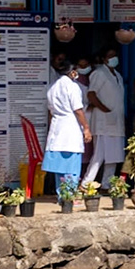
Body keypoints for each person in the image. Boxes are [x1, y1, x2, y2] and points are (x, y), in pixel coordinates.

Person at [42, 60, 91, 199]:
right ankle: (69, 197)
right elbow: (78, 110)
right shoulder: (72, 87)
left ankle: (62, 197)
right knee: (71, 168)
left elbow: (50, 111)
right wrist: (86, 128)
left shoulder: (52, 87)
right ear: (72, 72)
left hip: (57, 128)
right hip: (70, 129)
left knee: (60, 169)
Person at [82, 46, 126, 188]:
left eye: (115, 54)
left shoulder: (117, 75)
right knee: (99, 155)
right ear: (103, 59)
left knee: (114, 155)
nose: (114, 58)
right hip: (103, 121)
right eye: (110, 55)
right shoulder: (99, 73)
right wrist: (103, 109)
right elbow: (91, 94)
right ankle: (86, 183)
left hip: (116, 120)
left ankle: (107, 184)